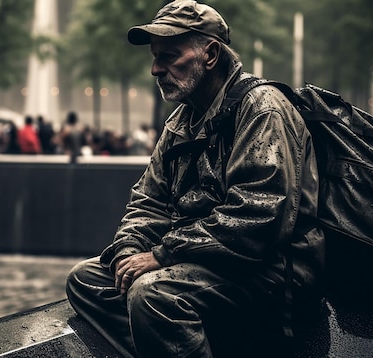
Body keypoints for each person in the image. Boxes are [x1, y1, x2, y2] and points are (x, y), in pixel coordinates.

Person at [65, 1, 324, 357]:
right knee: (85, 280)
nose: (156, 69)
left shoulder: (262, 108)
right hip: (207, 261)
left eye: (169, 56)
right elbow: (148, 202)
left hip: (272, 271)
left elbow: (258, 217)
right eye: (155, 57)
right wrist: (129, 251)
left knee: (152, 295)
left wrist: (162, 254)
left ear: (211, 54)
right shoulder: (181, 121)